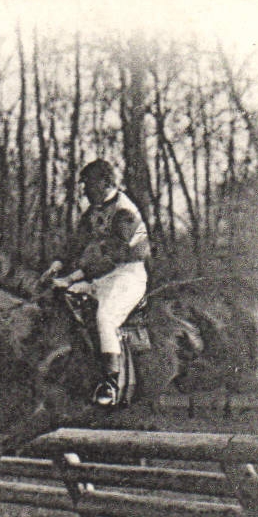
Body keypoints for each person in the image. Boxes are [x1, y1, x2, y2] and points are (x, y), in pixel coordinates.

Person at [45, 159, 150, 406]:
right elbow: (77, 243)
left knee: (105, 317)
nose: (84, 190)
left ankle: (111, 384)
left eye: (88, 184)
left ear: (105, 183)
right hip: (104, 276)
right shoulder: (94, 210)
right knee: (68, 302)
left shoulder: (124, 212)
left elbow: (113, 257)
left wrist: (71, 278)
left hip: (128, 275)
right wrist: (57, 264)